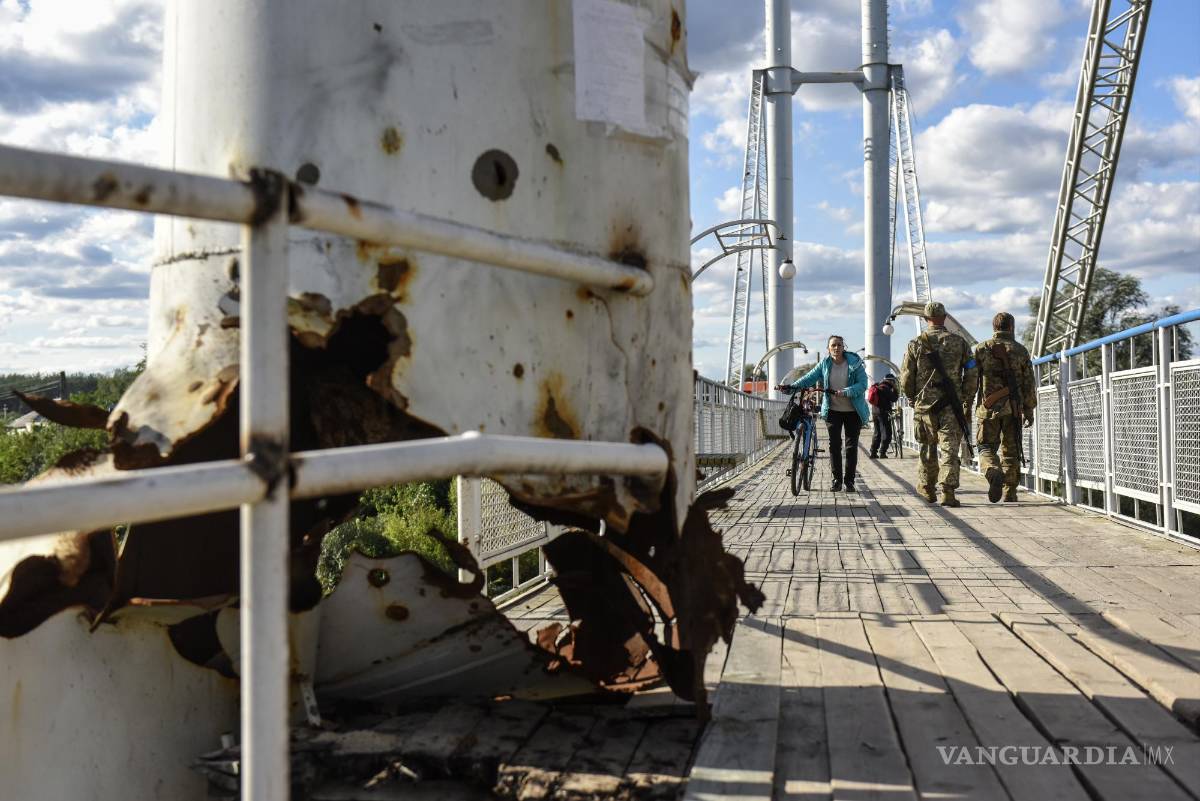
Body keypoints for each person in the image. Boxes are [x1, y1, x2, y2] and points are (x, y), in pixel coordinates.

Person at [899, 302, 978, 507]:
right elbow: (972, 371)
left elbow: (906, 376)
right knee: (950, 449)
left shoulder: (915, 344)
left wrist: (911, 396)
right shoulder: (960, 343)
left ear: (925, 319)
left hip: (925, 406)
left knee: (927, 447)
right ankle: (948, 491)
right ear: (944, 318)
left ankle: (927, 488)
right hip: (951, 405)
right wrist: (966, 397)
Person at [776, 334, 870, 492]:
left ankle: (849, 481)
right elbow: (809, 378)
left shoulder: (855, 363)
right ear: (828, 348)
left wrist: (845, 392)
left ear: (844, 347)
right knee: (835, 445)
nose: (836, 348)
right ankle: (837, 480)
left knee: (851, 446)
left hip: (853, 411)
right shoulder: (825, 364)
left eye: (839, 345)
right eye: (833, 345)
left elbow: (863, 384)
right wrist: (791, 387)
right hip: (832, 410)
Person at [973, 312, 1037, 503]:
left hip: (988, 408)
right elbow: (1029, 383)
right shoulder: (1020, 350)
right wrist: (1029, 409)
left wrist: (967, 403)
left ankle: (992, 469)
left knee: (986, 446)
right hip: (1013, 408)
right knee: (1011, 450)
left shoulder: (981, 349)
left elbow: (971, 378)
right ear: (1011, 327)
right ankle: (1010, 491)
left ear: (994, 327)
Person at [868, 373, 900, 459]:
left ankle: (873, 452)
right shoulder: (886, 388)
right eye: (893, 382)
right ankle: (882, 452)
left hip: (875, 413)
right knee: (887, 433)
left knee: (877, 433)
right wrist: (895, 390)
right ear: (891, 381)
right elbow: (894, 398)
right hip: (883, 413)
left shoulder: (878, 386)